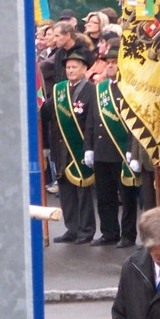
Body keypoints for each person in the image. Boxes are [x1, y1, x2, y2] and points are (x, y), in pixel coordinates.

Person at [83, 46, 139, 248]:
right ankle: (109, 232)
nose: (111, 65)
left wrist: (132, 151)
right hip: (101, 151)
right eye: (108, 62)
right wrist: (88, 147)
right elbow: (91, 120)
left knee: (127, 197)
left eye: (115, 62)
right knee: (105, 197)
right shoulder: (100, 89)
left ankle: (128, 235)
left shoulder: (131, 88)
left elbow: (135, 124)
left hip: (122, 151)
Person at [44, 51, 97, 244]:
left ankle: (86, 230)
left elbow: (92, 121)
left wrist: (90, 147)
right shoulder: (60, 90)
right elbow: (47, 112)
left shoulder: (91, 90)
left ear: (84, 69)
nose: (71, 70)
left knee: (83, 191)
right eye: (68, 67)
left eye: (75, 67)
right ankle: (72, 228)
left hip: (80, 147)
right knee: (66, 191)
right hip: (61, 147)